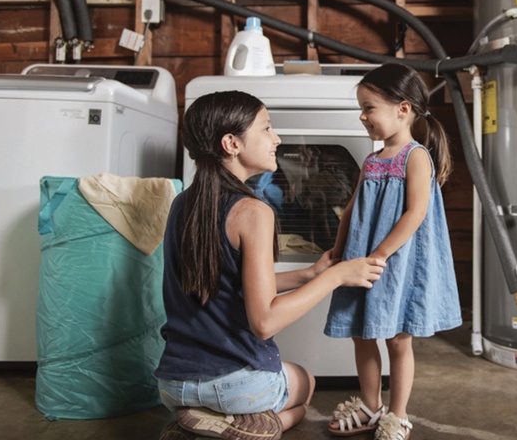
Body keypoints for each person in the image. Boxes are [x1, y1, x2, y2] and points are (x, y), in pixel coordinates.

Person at [155, 90, 385, 440]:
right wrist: (337, 276)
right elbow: (264, 322)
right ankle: (237, 429)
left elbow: (226, 285)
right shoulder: (253, 212)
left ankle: (198, 422)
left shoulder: (183, 203)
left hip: (173, 384)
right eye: (266, 128)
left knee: (278, 390)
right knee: (305, 390)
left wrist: (309, 274)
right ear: (232, 143)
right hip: (236, 386)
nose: (276, 138)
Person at [324, 64, 463, 440]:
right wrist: (337, 253)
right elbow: (351, 210)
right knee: (363, 334)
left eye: (369, 107)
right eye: (362, 108)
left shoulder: (415, 156)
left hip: (394, 262)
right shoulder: (371, 160)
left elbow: (416, 213)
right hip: (361, 260)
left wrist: (381, 254)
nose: (362, 115)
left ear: (402, 109)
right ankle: (371, 406)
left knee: (398, 338)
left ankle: (397, 415)